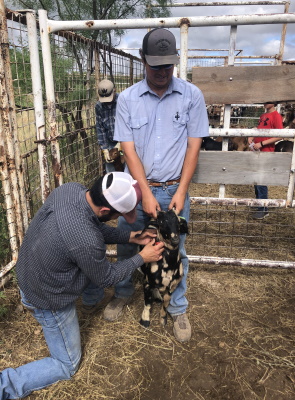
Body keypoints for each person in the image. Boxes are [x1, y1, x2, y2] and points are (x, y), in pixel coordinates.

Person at [0, 172, 164, 399]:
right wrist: (142, 258)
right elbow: (105, 277)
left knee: (87, 254)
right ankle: (5, 386)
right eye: (120, 215)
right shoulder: (86, 240)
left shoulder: (70, 190)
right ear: (106, 211)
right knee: (66, 365)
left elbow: (93, 227)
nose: (122, 218)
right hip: (48, 297)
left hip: (28, 274)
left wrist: (130, 236)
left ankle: (82, 302)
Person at [102, 28, 209, 343]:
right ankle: (122, 293)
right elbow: (128, 149)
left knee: (177, 249)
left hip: (175, 187)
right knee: (127, 240)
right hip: (136, 191)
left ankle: (177, 306)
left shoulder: (191, 95)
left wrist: (180, 191)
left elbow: (193, 146)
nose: (162, 72)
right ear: (142, 60)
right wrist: (144, 193)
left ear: (175, 62)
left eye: (168, 65)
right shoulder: (129, 99)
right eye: (155, 65)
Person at [248, 101, 283, 220]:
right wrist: (252, 137)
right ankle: (259, 203)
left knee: (261, 179)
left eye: (269, 101)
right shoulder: (263, 116)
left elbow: (280, 134)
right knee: (257, 179)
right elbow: (260, 129)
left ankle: (263, 208)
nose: (265, 103)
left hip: (266, 150)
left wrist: (262, 143)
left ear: (274, 102)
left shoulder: (276, 116)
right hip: (257, 150)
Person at [95, 79, 120, 173]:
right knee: (110, 170)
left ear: (114, 90)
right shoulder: (99, 106)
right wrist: (104, 148)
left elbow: (129, 123)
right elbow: (100, 128)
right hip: (110, 141)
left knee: (127, 168)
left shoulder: (123, 101)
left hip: (125, 140)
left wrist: (121, 143)